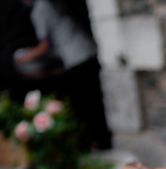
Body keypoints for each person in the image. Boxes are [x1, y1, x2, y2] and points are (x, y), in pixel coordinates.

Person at [15, 0, 112, 150]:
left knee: (87, 103)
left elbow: (45, 46)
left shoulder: (40, 8)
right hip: (85, 52)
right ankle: (100, 142)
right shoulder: (50, 4)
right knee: (93, 101)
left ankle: (99, 143)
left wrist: (24, 58)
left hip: (78, 58)